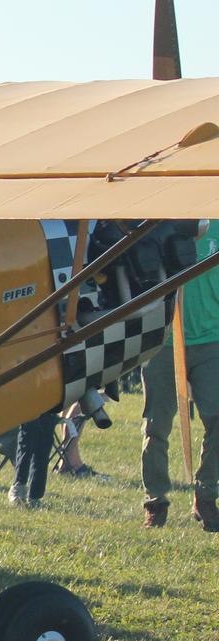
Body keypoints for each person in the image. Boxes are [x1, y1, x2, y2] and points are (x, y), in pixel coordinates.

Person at [141, 220, 219, 529]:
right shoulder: (165, 223)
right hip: (164, 340)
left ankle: (206, 495)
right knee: (156, 425)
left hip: (211, 339)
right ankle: (155, 501)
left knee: (218, 418)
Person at [8, 409, 55, 507]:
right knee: (28, 437)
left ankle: (35, 497)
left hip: (50, 400)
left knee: (45, 441)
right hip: (29, 400)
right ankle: (18, 488)